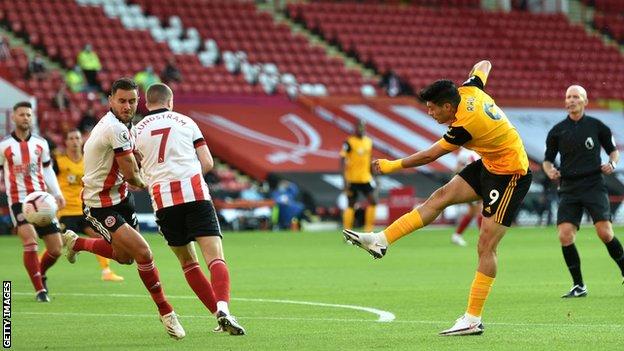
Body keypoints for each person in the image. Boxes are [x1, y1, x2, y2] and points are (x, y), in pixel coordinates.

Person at [343, 61, 532, 336]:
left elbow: (430, 155)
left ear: (447, 107)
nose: (429, 112)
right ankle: (381, 240)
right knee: (440, 196)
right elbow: (484, 65)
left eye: (432, 108)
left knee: (485, 245)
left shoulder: (465, 124)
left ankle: (472, 319)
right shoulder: (469, 89)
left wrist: (392, 165)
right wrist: (477, 75)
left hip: (511, 175)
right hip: (490, 163)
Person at [61, 78, 185, 339]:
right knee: (143, 253)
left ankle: (77, 244)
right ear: (110, 101)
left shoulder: (125, 127)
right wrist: (159, 183)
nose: (128, 106)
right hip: (99, 205)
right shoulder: (114, 129)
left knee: (125, 257)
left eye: (132, 101)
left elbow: (134, 161)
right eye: (122, 101)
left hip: (122, 200)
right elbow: (132, 175)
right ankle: (167, 312)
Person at [134, 83, 245, 335]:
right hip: (194, 194)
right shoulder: (186, 122)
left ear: (147, 103)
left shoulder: (135, 131)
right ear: (170, 102)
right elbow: (207, 162)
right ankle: (224, 309)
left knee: (188, 262)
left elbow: (134, 171)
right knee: (215, 257)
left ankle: (217, 316)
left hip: (163, 202)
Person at [543, 85, 624, 298]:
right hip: (569, 187)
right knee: (564, 235)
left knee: (605, 233)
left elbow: (613, 152)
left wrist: (612, 164)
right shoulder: (557, 131)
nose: (571, 100)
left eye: (576, 96)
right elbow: (547, 160)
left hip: (593, 185)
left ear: (585, 101)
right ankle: (579, 286)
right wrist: (550, 170)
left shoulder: (597, 126)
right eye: (568, 96)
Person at [0, 101, 66, 302]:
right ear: (14, 117)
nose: (25, 118)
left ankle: (41, 272)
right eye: (21, 114)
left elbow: (47, 169)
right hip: (19, 201)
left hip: (42, 201)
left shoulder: (41, 143)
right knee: (30, 241)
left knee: (56, 248)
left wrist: (57, 192)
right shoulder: (4, 145)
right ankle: (40, 291)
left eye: (28, 115)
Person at [53, 129, 124, 282]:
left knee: (100, 236)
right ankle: (39, 265)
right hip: (65, 210)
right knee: (57, 245)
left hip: (85, 208)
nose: (74, 141)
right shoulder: (58, 162)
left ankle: (106, 271)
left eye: (77, 138)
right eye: (71, 138)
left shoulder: (88, 161)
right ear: (65, 142)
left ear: (81, 141)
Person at [340, 120, 377, 232]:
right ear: (355, 128)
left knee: (373, 202)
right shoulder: (349, 142)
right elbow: (342, 159)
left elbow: (370, 159)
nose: (361, 129)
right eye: (359, 127)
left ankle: (369, 231)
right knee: (351, 204)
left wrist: (373, 175)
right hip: (352, 179)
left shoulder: (369, 142)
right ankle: (347, 232)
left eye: (363, 127)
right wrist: (344, 179)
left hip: (365, 178)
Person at [450, 148, 483, 247]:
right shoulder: (467, 152)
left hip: (473, 183)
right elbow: (458, 169)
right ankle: (484, 238)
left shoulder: (467, 152)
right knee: (479, 210)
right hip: (472, 185)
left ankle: (457, 235)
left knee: (472, 212)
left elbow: (457, 169)